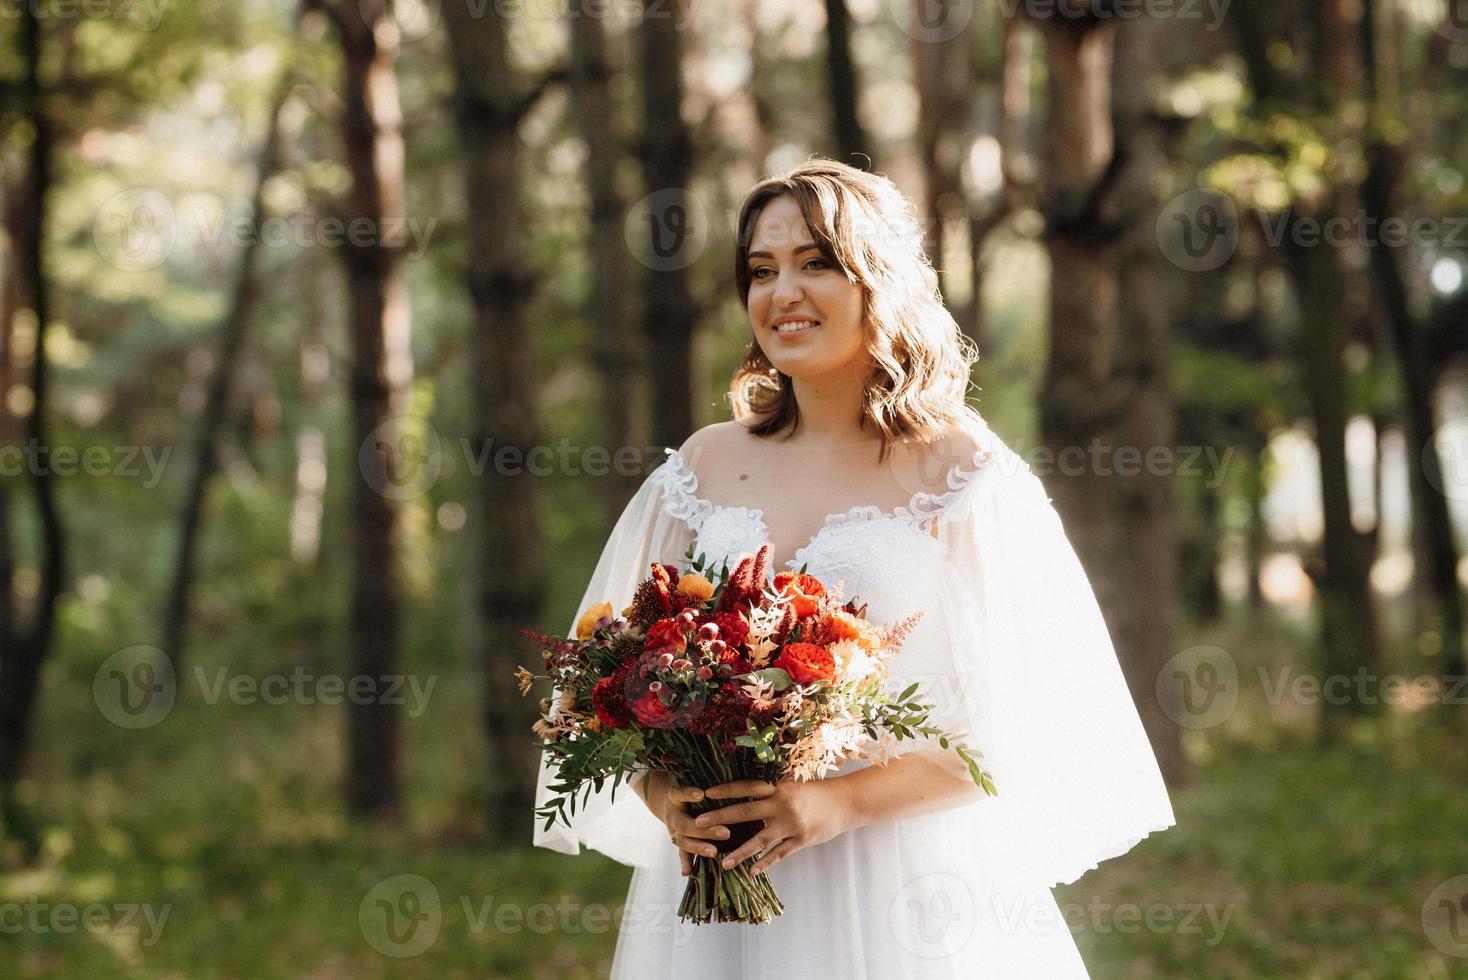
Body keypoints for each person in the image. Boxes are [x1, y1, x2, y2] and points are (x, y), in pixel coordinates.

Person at [532, 158, 1176, 978]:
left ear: (880, 278)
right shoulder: (701, 468)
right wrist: (672, 804)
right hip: (718, 908)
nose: (781, 293)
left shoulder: (959, 470)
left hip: (904, 890)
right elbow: (608, 690)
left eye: (815, 263)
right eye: (761, 271)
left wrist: (832, 803)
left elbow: (1019, 718)